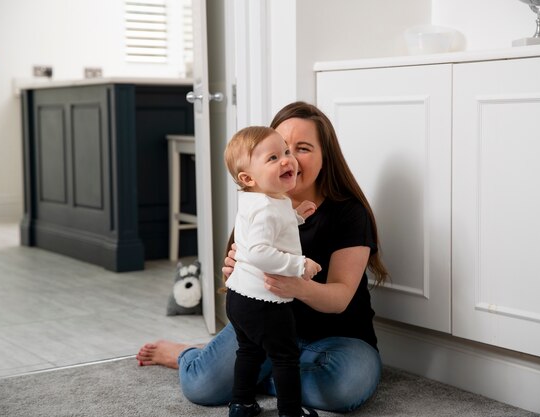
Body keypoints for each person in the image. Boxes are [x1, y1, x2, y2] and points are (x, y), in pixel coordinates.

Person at [136, 101, 388, 413]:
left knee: (344, 387)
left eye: (302, 149)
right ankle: (189, 355)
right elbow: (245, 274)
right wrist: (236, 275)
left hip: (338, 339)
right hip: (267, 326)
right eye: (280, 149)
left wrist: (297, 286)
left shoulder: (349, 213)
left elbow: (339, 299)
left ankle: (253, 376)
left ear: (326, 157)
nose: (289, 159)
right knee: (201, 385)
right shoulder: (259, 204)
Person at [223, 126, 321, 417]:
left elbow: (274, 226)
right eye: (273, 157)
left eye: (287, 152)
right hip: (264, 301)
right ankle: (290, 412)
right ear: (248, 178)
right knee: (286, 357)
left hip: (239, 296)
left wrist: (296, 216)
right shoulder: (267, 208)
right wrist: (300, 266)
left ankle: (241, 404)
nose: (286, 160)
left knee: (249, 351)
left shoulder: (261, 199)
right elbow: (258, 252)